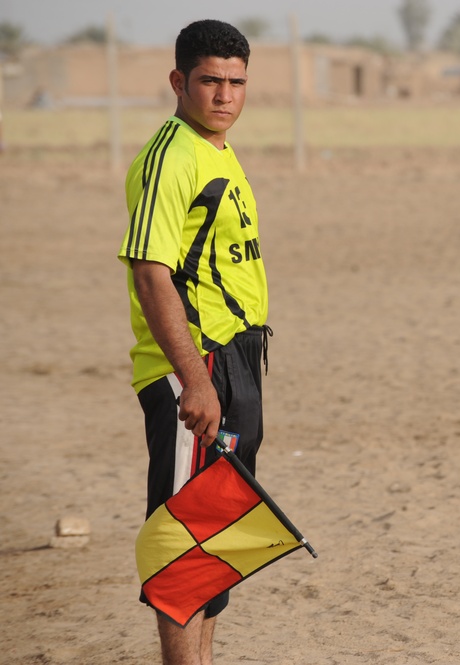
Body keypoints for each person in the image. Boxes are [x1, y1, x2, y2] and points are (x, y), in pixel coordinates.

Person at [118, 19, 269, 665]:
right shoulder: (172, 154)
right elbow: (151, 273)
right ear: (179, 81)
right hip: (196, 367)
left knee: (216, 534)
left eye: (236, 82)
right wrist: (197, 378)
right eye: (210, 80)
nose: (225, 94)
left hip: (235, 361)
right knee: (183, 543)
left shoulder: (218, 148)